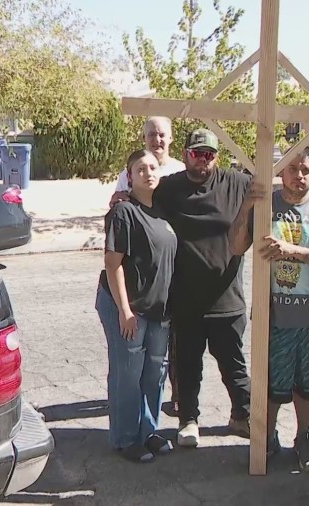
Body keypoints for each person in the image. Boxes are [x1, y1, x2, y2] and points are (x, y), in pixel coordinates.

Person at [228, 146, 309, 472]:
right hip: (273, 318)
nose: (298, 176)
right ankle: (266, 438)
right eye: (292, 168)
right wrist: (248, 205)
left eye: (306, 170)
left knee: (308, 385)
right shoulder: (266, 205)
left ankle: (303, 438)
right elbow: (236, 246)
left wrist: (291, 251)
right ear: (281, 171)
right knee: (270, 385)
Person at [151, 128, 253, 448]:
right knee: (187, 366)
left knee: (234, 366)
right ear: (185, 155)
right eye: (197, 153)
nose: (203, 160)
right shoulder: (168, 188)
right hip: (186, 299)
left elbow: (276, 191)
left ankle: (243, 416)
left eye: (208, 155)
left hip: (227, 297)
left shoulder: (237, 183)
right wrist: (119, 200)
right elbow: (140, 196)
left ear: (217, 158)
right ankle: (188, 420)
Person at [95, 150, 177, 463]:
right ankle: (126, 439)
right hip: (129, 307)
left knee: (154, 373)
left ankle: (149, 432)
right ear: (129, 176)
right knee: (127, 374)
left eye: (152, 167)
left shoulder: (165, 210)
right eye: (140, 169)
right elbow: (113, 263)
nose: (148, 173)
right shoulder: (124, 212)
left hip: (159, 308)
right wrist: (124, 311)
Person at [109, 115, 186, 415]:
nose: (157, 139)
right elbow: (118, 218)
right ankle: (129, 425)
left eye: (162, 134)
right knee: (132, 365)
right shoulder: (129, 174)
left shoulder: (180, 170)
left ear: (171, 137)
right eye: (151, 134)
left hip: (173, 275)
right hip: (140, 285)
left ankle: (175, 401)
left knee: (167, 355)